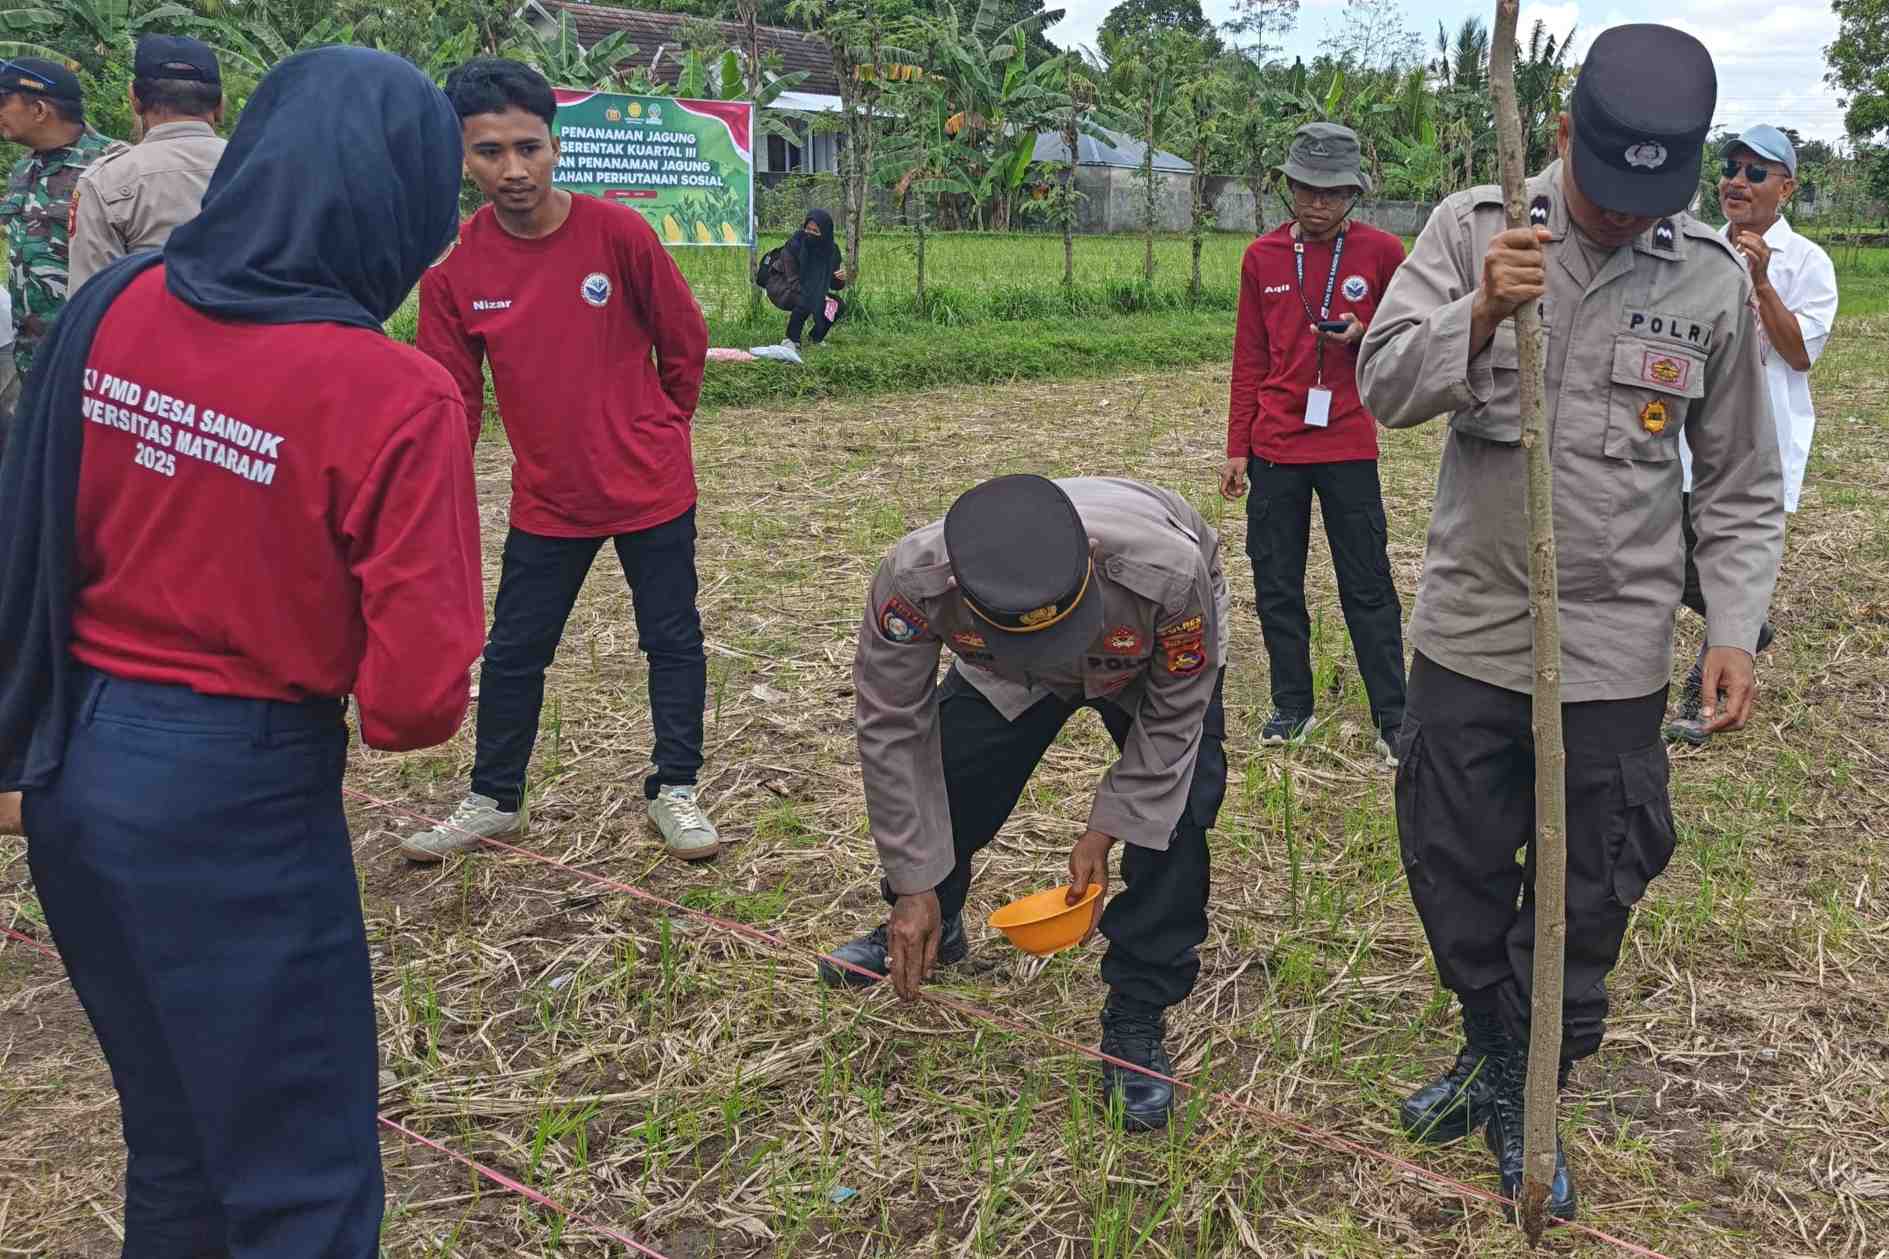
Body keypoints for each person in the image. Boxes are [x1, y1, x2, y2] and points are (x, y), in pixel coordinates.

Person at [0, 46, 483, 1257]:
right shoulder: (394, 393)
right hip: (234, 795)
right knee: (301, 1180)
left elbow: (25, 515)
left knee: (175, 1141)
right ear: (408, 202)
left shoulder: (119, 303)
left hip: (72, 771)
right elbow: (416, 701)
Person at [1357, 24, 1784, 1220]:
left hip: (1610, 648)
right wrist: (1478, 316)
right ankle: (1492, 1044)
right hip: (1473, 630)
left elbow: (1740, 479)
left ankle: (1526, 1084)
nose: (1612, 216)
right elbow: (1381, 386)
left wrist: (1733, 629)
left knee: (1590, 881)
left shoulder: (1708, 276)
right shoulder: (1466, 228)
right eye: (1600, 186)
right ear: (1556, 136)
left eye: (1648, 189)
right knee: (1447, 858)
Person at [825, 474, 1229, 1132]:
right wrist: (913, 880)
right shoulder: (914, 581)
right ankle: (936, 919)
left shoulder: (1167, 575)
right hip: (1000, 668)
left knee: (1174, 817)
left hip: (1143, 650)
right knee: (953, 772)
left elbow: (1174, 721)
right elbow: (893, 728)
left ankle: (1135, 1013)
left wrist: (1107, 825)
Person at [403, 58, 719, 864]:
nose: (512, 170)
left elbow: (683, 337)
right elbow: (451, 398)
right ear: (461, 158)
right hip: (548, 501)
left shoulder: (618, 233)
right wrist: (437, 484)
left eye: (528, 147)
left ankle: (675, 787)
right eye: (488, 152)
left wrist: (665, 425)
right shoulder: (455, 272)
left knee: (672, 638)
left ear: (554, 145)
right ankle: (494, 797)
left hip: (651, 488)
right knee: (513, 651)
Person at [1219, 122, 1408, 764]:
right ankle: (1291, 706)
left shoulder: (1384, 252)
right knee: (1276, 581)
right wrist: (1236, 445)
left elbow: (1414, 328)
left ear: (1353, 194)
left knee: (1369, 582)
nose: (1318, 204)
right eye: (1306, 190)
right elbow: (1249, 356)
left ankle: (1394, 717)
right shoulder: (1261, 257)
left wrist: (1366, 330)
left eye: (1332, 193)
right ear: (1288, 188)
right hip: (1275, 446)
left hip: (1350, 443)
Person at [1666, 125, 1837, 745]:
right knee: (1670, 552)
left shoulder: (1808, 263)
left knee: (1726, 552)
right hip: (1689, 434)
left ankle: (1707, 691)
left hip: (1760, 441)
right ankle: (1744, 625)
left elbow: (1798, 355)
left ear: (1786, 188)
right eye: (1731, 168)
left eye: (1756, 173)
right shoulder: (1700, 249)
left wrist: (1761, 283)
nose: (1737, 181)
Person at [67, 35, 229, 291]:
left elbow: (89, 300)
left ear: (135, 99)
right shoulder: (266, 169)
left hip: (149, 329)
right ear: (220, 105)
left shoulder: (105, 181)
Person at [0, 57, 123, 381]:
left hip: (88, 357)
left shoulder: (116, 166)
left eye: (3, 101)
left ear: (39, 110)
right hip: (30, 356)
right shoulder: (23, 169)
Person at [754, 208, 847, 365]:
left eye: (815, 231)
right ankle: (791, 339)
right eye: (807, 229)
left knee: (838, 304)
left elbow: (833, 285)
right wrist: (816, 295)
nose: (809, 234)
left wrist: (840, 279)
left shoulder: (832, 251)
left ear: (825, 232)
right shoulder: (794, 246)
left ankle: (815, 338)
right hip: (781, 286)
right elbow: (793, 280)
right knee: (808, 299)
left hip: (811, 291)